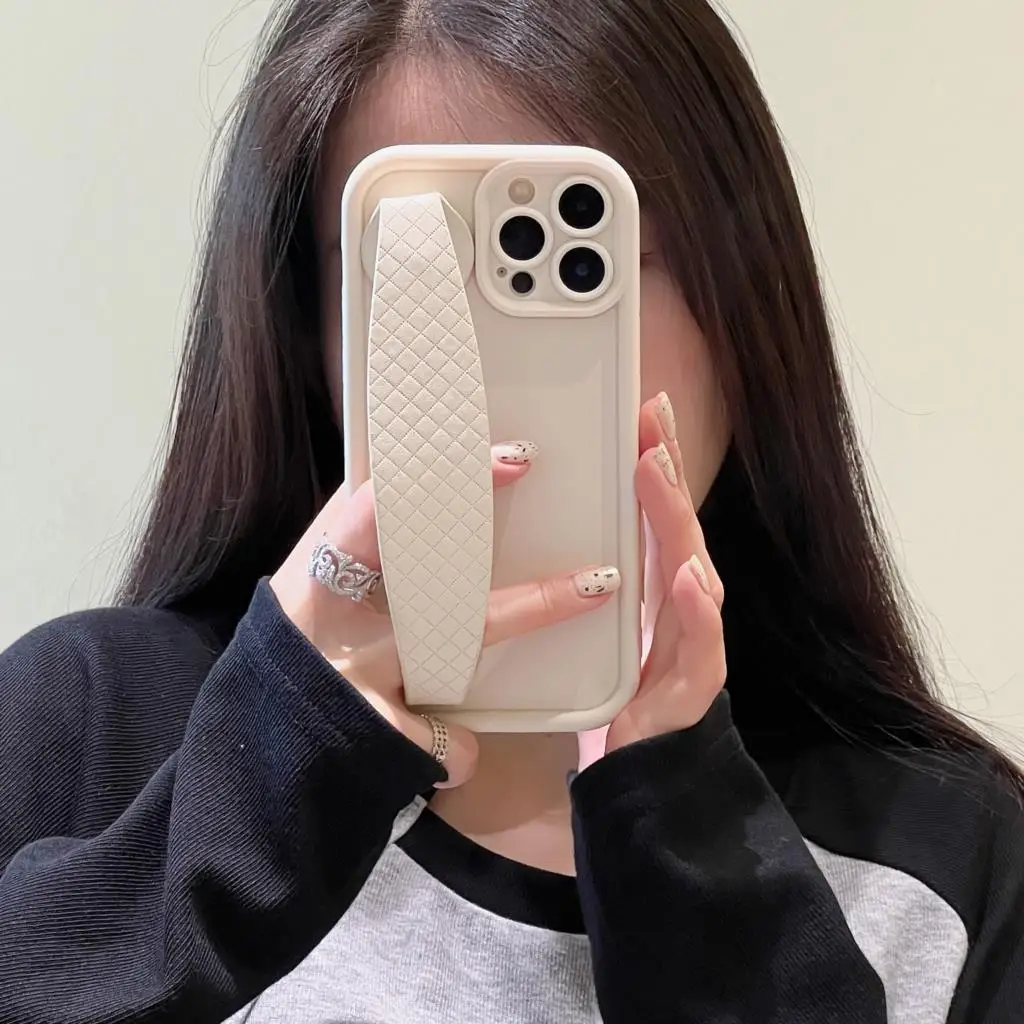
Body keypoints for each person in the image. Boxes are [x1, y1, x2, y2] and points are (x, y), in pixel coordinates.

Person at [1, 1, 1022, 1021]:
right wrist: (263, 787)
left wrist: (694, 848)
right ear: (308, 336)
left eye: (593, 258)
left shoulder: (949, 866)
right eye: (410, 272)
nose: (479, 377)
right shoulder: (89, 726)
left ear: (746, 306)